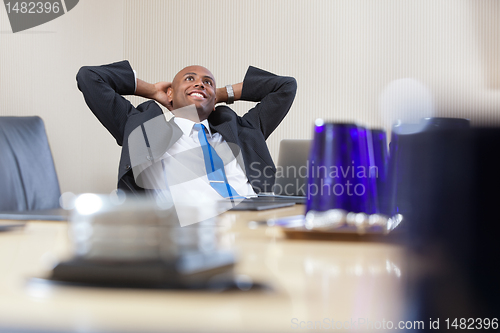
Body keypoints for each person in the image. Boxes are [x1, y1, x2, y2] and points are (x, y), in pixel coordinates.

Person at [76, 60, 297, 200]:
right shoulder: (143, 130)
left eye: (207, 82)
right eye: (190, 79)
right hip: (192, 231)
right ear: (170, 93)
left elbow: (286, 86)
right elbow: (90, 77)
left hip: (256, 221)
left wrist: (217, 93)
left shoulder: (241, 129)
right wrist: (152, 90)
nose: (201, 84)